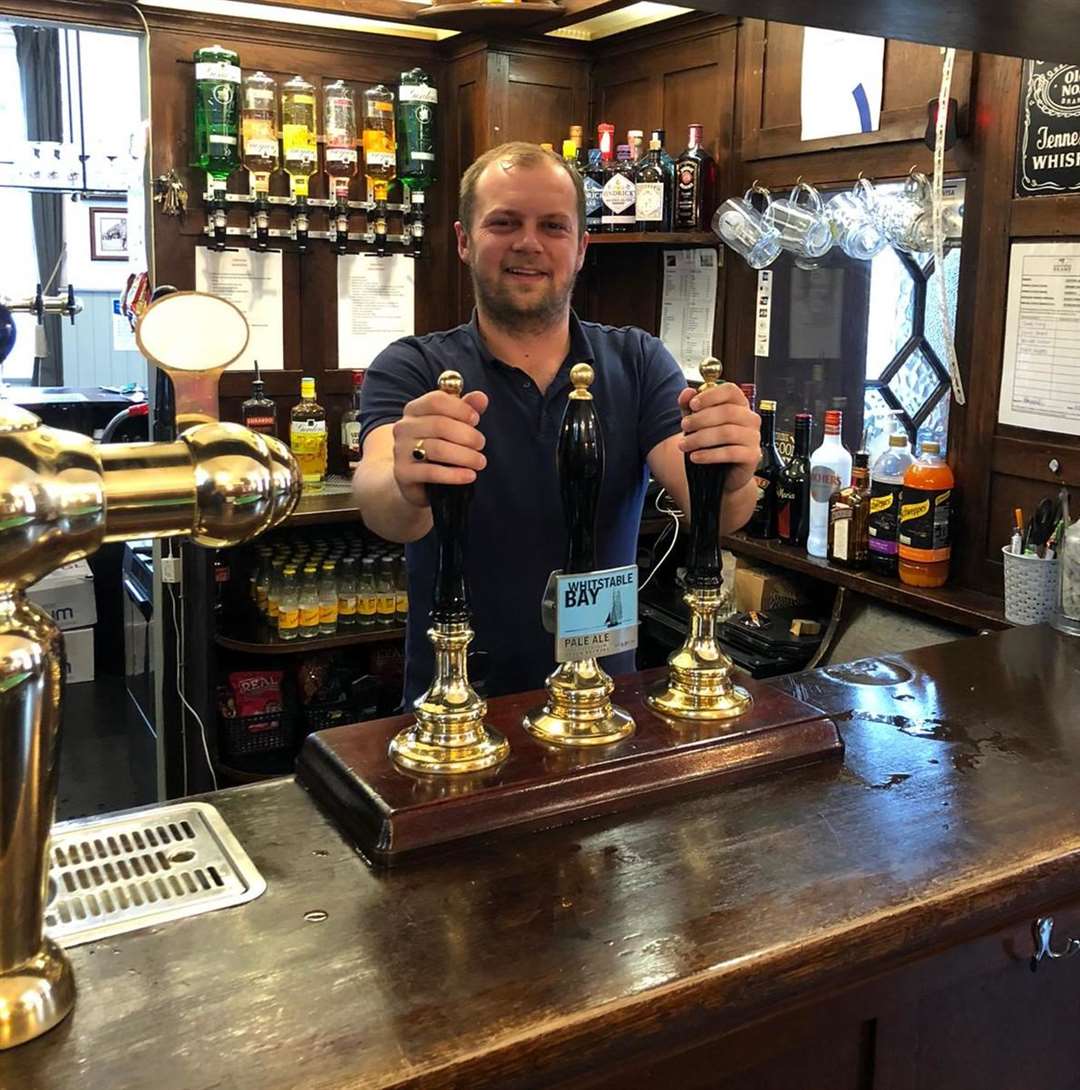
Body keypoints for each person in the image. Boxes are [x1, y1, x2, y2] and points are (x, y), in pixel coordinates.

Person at [354, 142, 760, 706]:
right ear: (464, 242)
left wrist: (733, 474)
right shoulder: (414, 367)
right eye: (504, 223)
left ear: (581, 248)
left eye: (553, 226)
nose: (529, 243)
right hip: (457, 707)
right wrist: (408, 477)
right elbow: (382, 505)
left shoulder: (638, 362)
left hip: (605, 702)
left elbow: (717, 512)